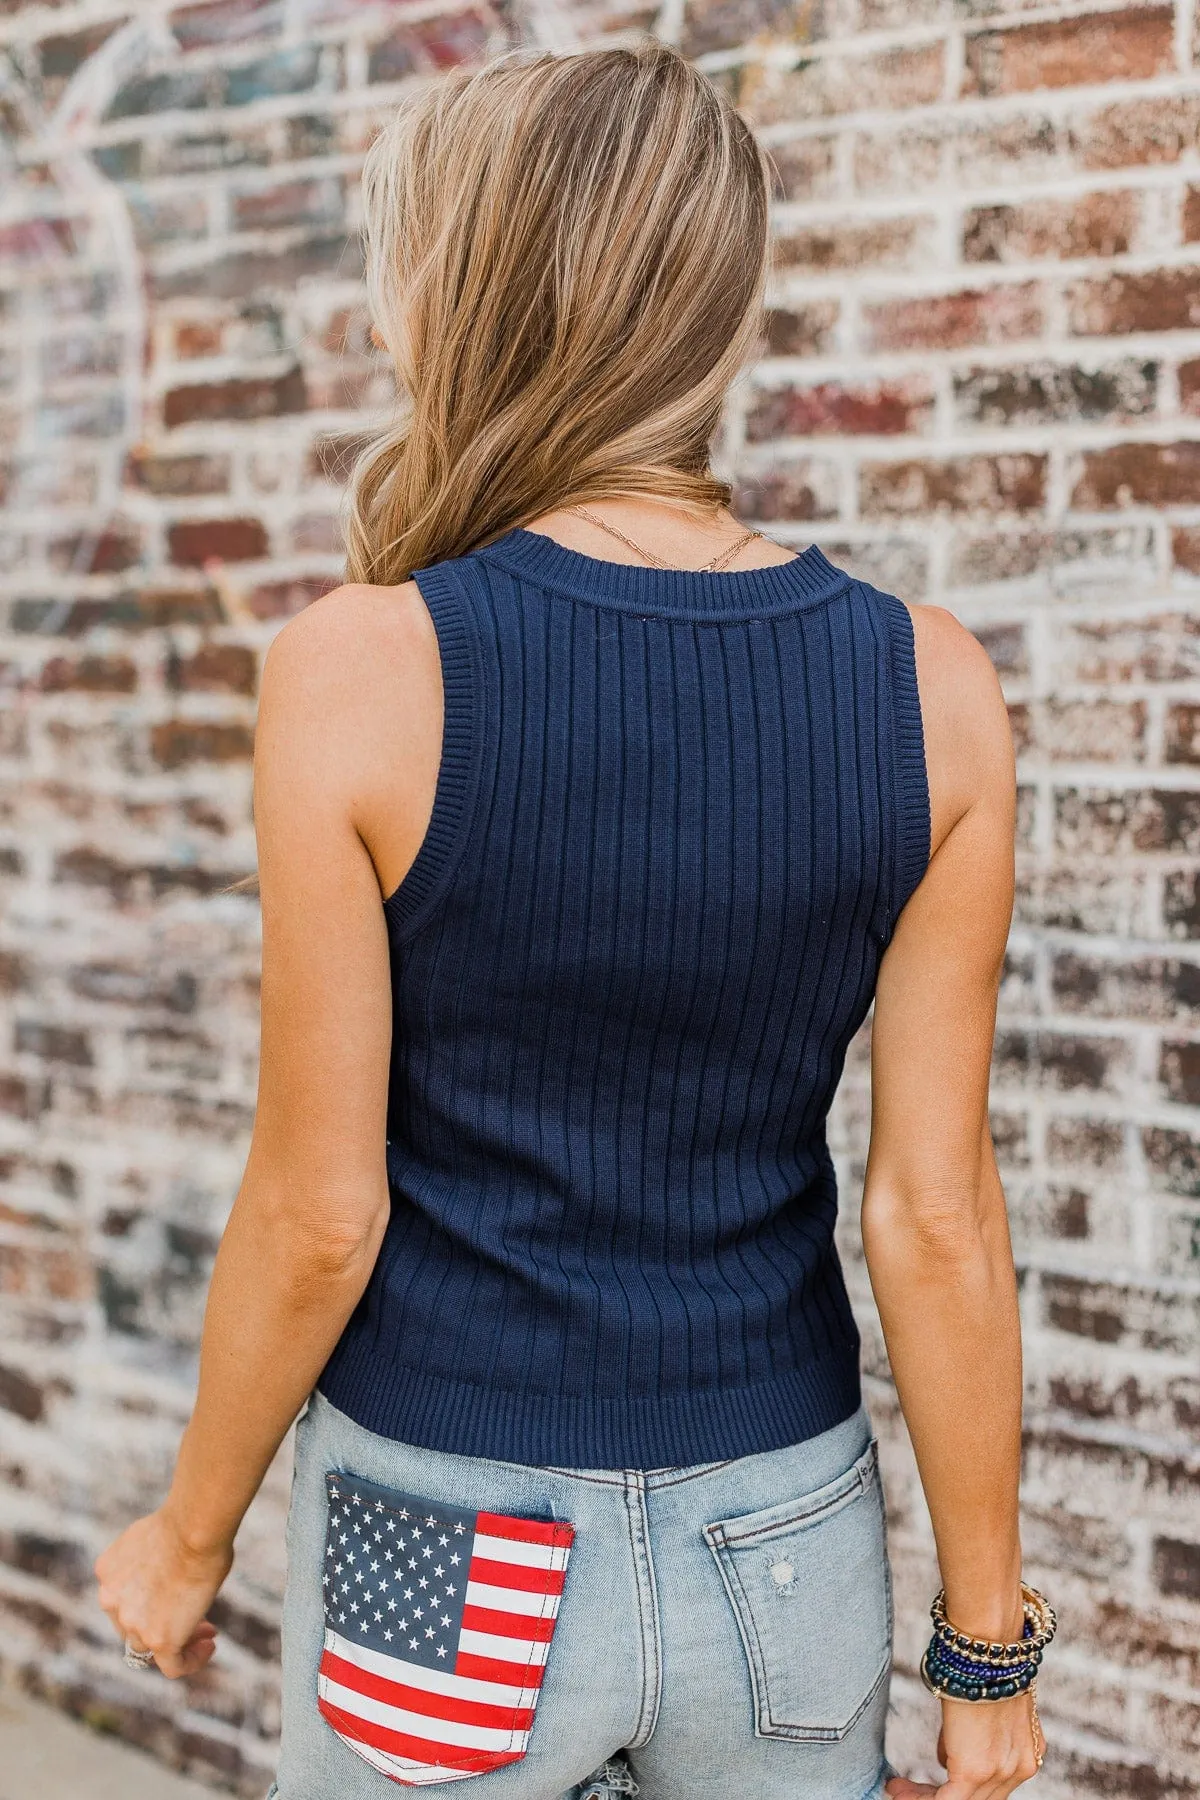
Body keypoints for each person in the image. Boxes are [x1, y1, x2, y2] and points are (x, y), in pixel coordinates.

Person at [94, 39, 1053, 1800]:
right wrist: (986, 1652)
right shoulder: (938, 693)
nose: (386, 325)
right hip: (787, 1539)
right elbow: (935, 1213)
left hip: (447, 1540)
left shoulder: (359, 673)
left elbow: (319, 1213)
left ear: (474, 296)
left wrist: (186, 1530)